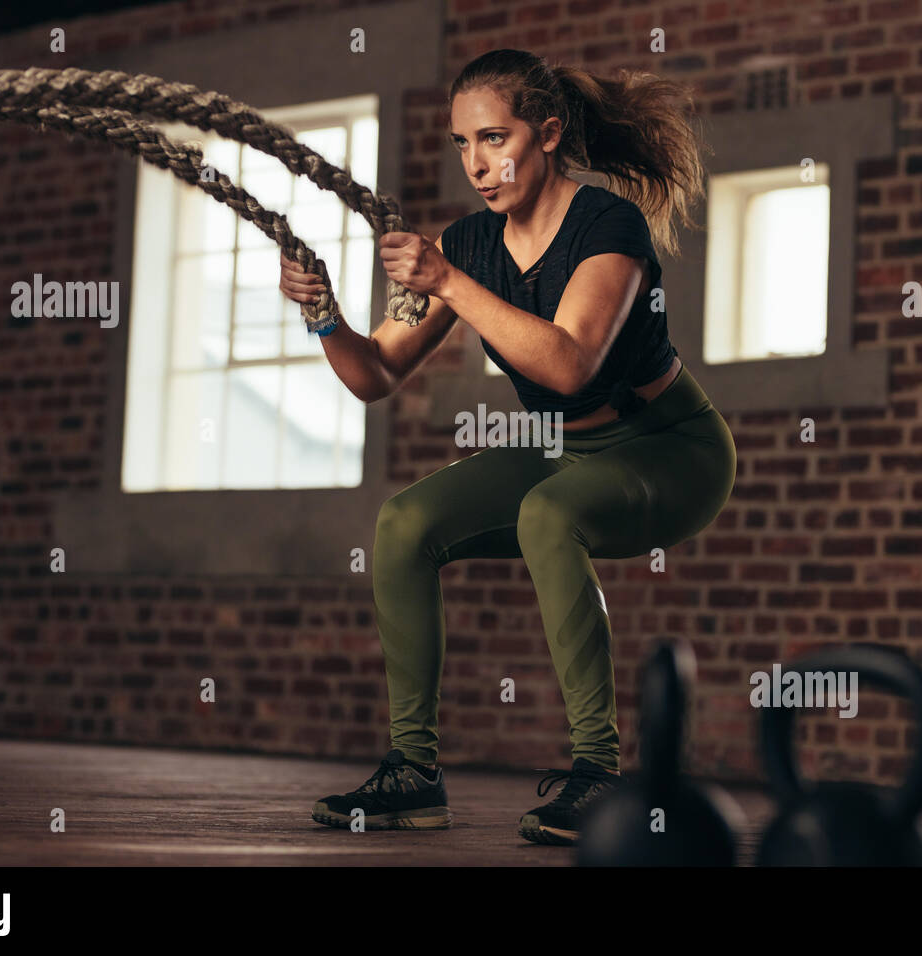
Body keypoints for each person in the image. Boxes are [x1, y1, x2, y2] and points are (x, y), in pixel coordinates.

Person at [279, 49, 736, 846]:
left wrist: (448, 282)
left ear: (548, 132)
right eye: (462, 145)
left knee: (547, 514)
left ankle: (598, 775)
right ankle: (412, 774)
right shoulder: (469, 242)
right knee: (404, 524)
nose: (478, 165)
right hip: (569, 450)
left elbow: (570, 361)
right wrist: (323, 315)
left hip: (671, 451)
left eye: (494, 139)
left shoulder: (607, 225)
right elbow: (377, 373)